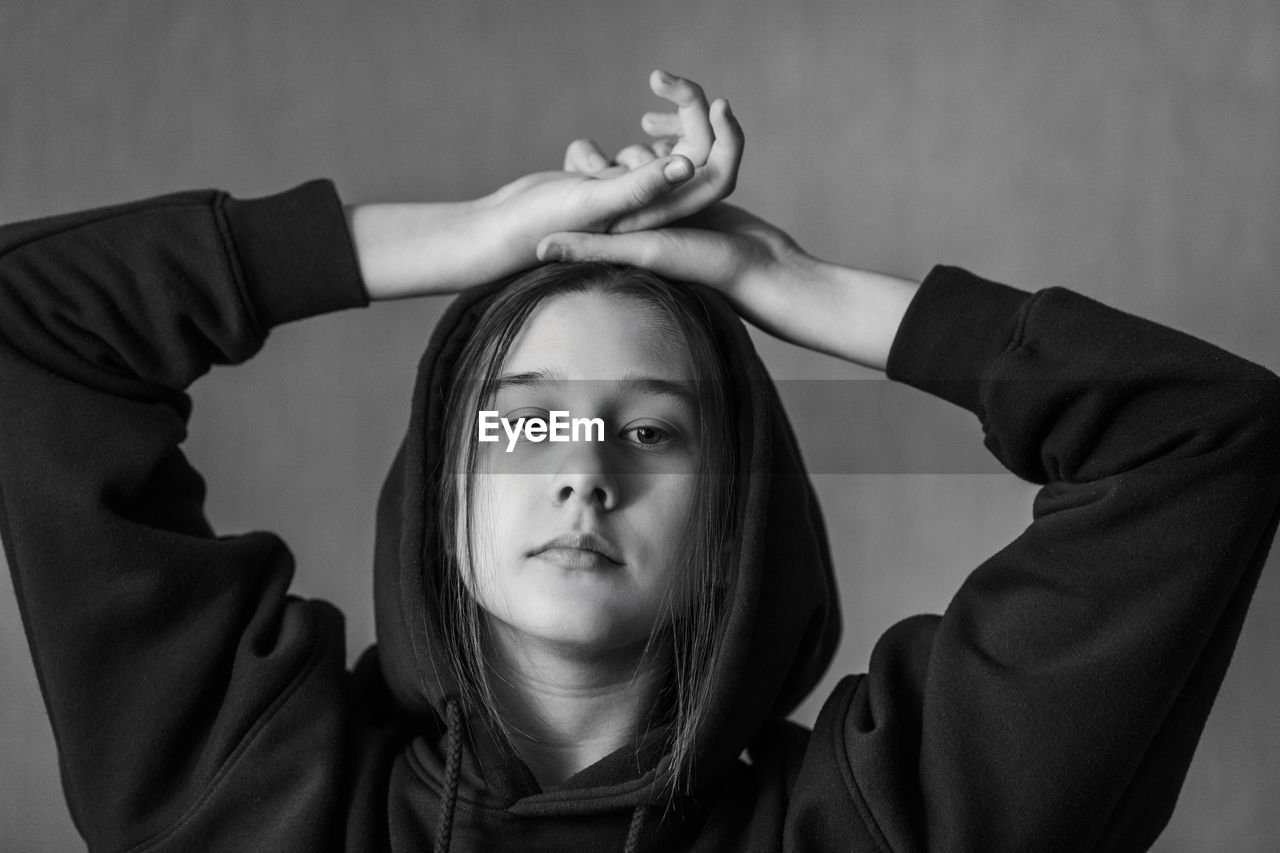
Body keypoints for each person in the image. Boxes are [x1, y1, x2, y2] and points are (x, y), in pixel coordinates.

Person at [1, 70, 1276, 853]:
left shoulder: (892, 820)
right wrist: (463, 239)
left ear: (736, 517)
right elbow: (28, 320)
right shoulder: (253, 798)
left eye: (651, 430)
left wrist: (782, 282)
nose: (583, 471)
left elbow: (1199, 436)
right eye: (526, 417)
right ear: (441, 488)